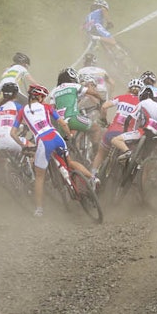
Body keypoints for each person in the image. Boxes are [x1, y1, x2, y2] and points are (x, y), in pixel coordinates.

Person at [21, 84, 92, 217]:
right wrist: (69, 136)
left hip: (43, 141)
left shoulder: (23, 110)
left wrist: (22, 144)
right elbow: (63, 123)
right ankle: (92, 178)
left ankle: (39, 209)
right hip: (56, 137)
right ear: (39, 97)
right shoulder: (47, 107)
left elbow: (14, 132)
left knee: (40, 177)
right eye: (43, 97)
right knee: (69, 162)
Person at [0, 82, 27, 196]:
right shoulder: (17, 106)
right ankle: (32, 177)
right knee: (33, 148)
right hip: (10, 138)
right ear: (15, 95)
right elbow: (26, 119)